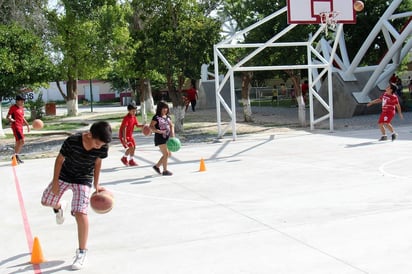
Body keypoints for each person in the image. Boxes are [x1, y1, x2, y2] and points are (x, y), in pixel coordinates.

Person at [41, 121, 112, 270]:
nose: (99, 146)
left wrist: (96, 184)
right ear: (90, 135)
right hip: (64, 175)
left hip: (83, 179)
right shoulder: (73, 141)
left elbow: (98, 163)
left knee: (80, 213)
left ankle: (81, 253)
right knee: (46, 201)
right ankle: (59, 207)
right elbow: (59, 160)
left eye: (102, 145)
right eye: (97, 143)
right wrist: (55, 182)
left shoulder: (103, 146)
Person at [150, 101, 175, 176]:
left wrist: (172, 134)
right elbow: (151, 126)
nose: (165, 109)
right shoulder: (156, 117)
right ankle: (165, 171)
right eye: (163, 108)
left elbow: (171, 126)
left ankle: (157, 166)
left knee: (168, 154)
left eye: (166, 108)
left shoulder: (168, 117)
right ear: (159, 108)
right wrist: (158, 131)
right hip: (160, 138)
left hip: (167, 138)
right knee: (166, 154)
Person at [6, 94, 30, 164]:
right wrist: (11, 119)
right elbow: (8, 116)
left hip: (20, 126)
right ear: (17, 101)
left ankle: (15, 156)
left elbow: (22, 117)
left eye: (23, 101)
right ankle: (16, 156)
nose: (23, 102)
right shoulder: (13, 107)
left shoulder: (21, 108)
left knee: (18, 142)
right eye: (22, 101)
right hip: (16, 126)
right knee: (22, 141)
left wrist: (27, 124)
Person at [119, 102, 142, 166]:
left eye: (135, 111)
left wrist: (144, 126)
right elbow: (124, 128)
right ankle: (124, 158)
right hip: (124, 135)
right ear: (129, 111)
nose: (134, 112)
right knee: (131, 147)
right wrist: (125, 138)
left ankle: (130, 160)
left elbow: (137, 125)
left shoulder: (134, 117)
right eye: (133, 111)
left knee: (134, 147)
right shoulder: (126, 118)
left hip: (129, 135)